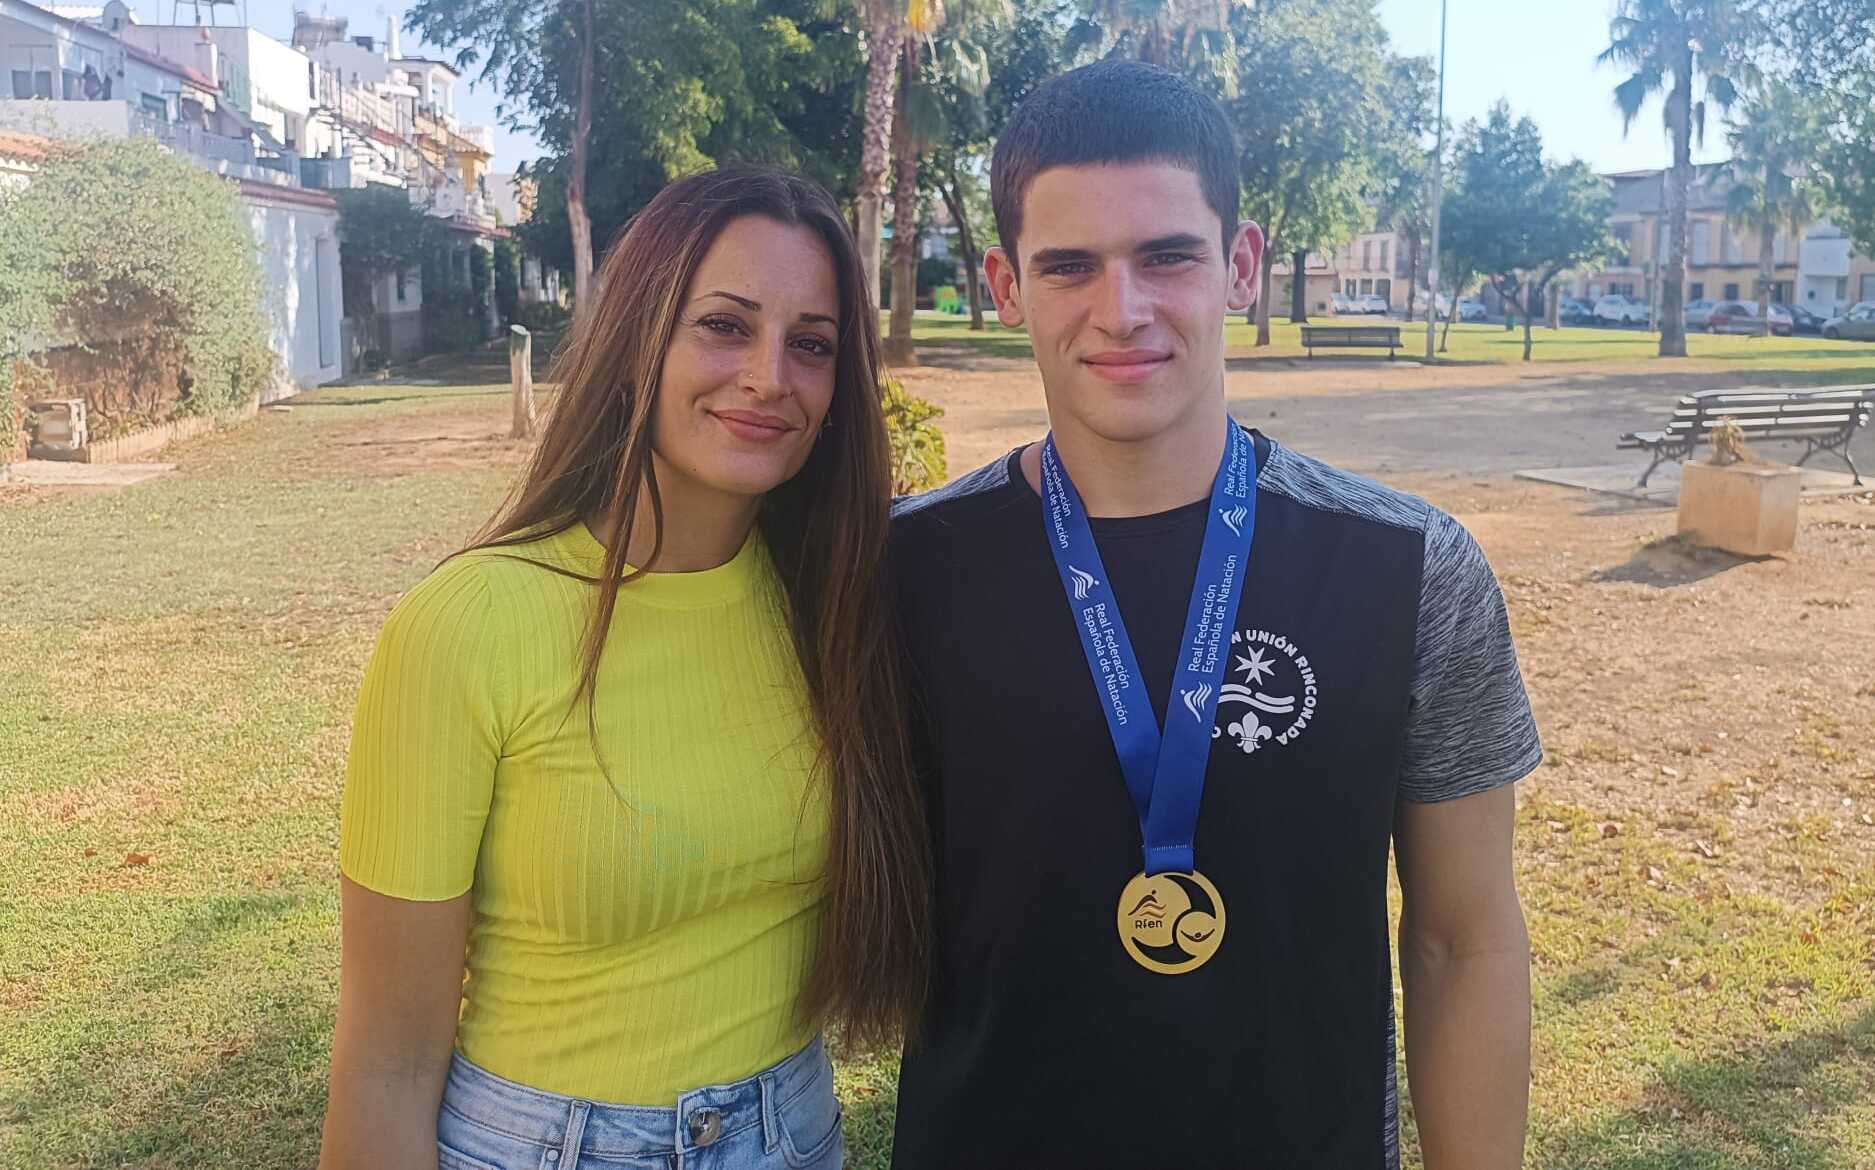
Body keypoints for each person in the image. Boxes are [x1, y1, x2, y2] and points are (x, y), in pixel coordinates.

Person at [889, 61, 1538, 1169]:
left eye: (1166, 256)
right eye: (1069, 267)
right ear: (1006, 286)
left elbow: (1462, 939)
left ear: (1239, 263)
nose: (1122, 309)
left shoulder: (1410, 568)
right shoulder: (903, 569)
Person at [319, 165, 929, 1170]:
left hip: (797, 1133)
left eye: (811, 345)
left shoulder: (840, 608)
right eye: (725, 326)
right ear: (639, 333)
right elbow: (385, 1064)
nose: (771, 376)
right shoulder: (466, 625)